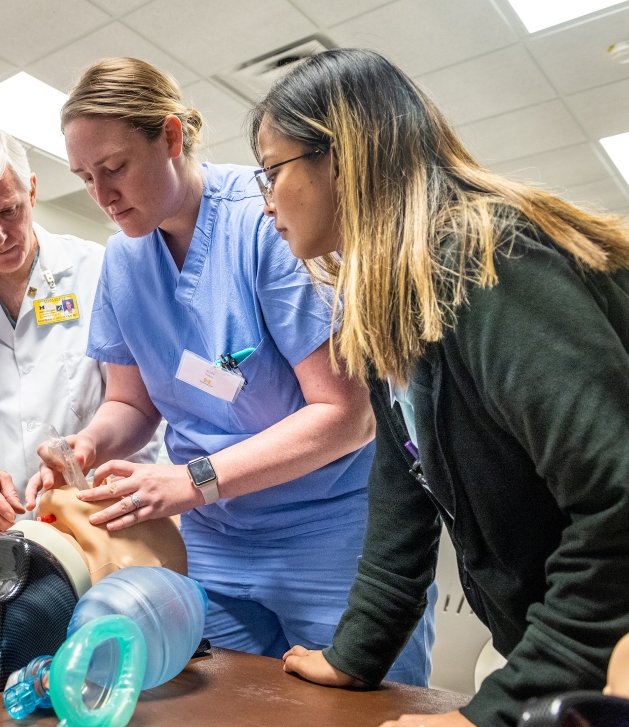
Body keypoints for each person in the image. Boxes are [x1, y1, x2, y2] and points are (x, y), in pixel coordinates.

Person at [247, 48, 629, 727]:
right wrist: (356, 653)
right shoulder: (394, 303)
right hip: (571, 642)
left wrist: (489, 716)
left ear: (342, 157)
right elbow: (402, 494)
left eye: (271, 169)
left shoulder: (490, 264)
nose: (266, 198)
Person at [26, 57, 435, 686]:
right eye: (85, 178)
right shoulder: (124, 261)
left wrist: (194, 479)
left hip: (331, 535)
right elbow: (132, 403)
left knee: (361, 710)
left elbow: (348, 416)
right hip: (218, 541)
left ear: (169, 137)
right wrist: (88, 444)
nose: (102, 195)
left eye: (114, 169)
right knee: (211, 700)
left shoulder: (270, 219)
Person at [0, 119, 160, 541]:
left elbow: (133, 403)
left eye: (8, 211)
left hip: (93, 522)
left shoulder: (99, 271)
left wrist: (88, 452)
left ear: (32, 190)